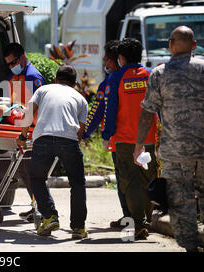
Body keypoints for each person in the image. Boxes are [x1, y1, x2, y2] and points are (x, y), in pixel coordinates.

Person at [134, 26, 204, 252]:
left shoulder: (160, 74)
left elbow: (147, 112)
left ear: (170, 44)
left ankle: (191, 247)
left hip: (175, 151)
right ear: (194, 45)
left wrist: (139, 144)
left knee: (180, 198)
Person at [16, 65, 89, 239]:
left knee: (37, 178)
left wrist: (23, 136)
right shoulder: (81, 99)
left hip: (43, 138)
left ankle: (49, 217)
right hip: (69, 140)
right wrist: (72, 144)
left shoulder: (43, 90)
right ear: (75, 84)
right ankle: (78, 228)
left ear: (56, 80)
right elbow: (81, 130)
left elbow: (28, 113)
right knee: (77, 183)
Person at [102, 38, 158, 240]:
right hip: (149, 138)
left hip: (125, 141)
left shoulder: (116, 78)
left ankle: (139, 224)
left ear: (121, 57)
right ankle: (147, 220)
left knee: (131, 183)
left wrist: (107, 134)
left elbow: (111, 110)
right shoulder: (150, 76)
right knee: (147, 180)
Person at [82, 40, 131, 227]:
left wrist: (84, 134)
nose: (106, 65)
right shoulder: (145, 75)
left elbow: (97, 112)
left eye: (107, 61)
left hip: (119, 138)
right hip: (147, 138)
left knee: (123, 179)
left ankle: (129, 217)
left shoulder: (110, 82)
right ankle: (143, 216)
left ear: (117, 60)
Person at [4, 42, 46, 223]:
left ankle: (43, 209)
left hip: (33, 131)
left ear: (22, 57)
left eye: (13, 62)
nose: (11, 67)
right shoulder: (16, 78)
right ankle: (37, 206)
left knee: (31, 171)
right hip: (22, 129)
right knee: (24, 171)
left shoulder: (33, 77)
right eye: (8, 64)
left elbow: (37, 110)